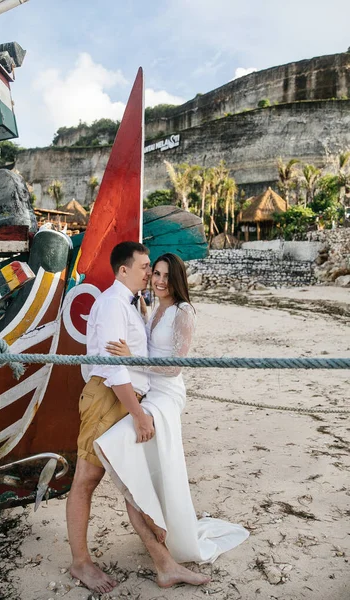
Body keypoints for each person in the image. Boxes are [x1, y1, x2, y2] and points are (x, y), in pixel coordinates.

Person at [66, 243, 210, 595]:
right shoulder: (115, 304)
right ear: (124, 270)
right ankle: (81, 561)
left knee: (130, 478)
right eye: (147, 267)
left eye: (156, 270)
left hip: (130, 397)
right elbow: (115, 369)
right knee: (87, 478)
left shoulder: (135, 305)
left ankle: (164, 561)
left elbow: (150, 358)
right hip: (111, 398)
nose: (151, 275)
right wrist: (139, 415)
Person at [95, 253, 249, 571]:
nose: (160, 281)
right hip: (147, 388)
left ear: (177, 279)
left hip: (166, 393)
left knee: (123, 440)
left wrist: (133, 359)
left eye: (167, 276)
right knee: (150, 459)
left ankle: (166, 529)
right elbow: (137, 340)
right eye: (157, 274)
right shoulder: (150, 303)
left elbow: (175, 366)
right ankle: (157, 523)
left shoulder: (184, 311)